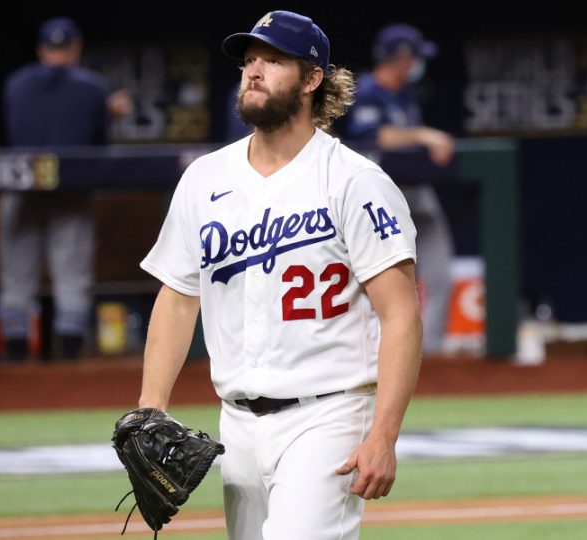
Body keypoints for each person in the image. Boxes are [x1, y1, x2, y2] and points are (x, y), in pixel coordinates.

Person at [137, 10, 423, 539]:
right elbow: (177, 299)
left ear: (313, 79)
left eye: (273, 60)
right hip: (237, 426)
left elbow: (400, 313)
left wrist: (384, 434)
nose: (254, 70)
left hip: (330, 414)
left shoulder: (353, 181)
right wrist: (150, 408)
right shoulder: (204, 179)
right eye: (249, 60)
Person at [0, 17, 130, 361]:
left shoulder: (16, 83)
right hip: (71, 191)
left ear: (43, 50)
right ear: (76, 49)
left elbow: (10, 135)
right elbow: (100, 146)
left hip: (22, 188)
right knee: (71, 275)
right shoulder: (94, 87)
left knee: (17, 275)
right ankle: (69, 355)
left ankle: (14, 356)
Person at [335, 23, 455, 354]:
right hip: (379, 198)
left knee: (441, 275)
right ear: (399, 57)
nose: (417, 62)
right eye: (413, 55)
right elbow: (377, 137)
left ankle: (431, 355)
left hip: (417, 193)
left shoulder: (405, 93)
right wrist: (423, 135)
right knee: (376, 283)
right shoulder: (368, 90)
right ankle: (374, 354)